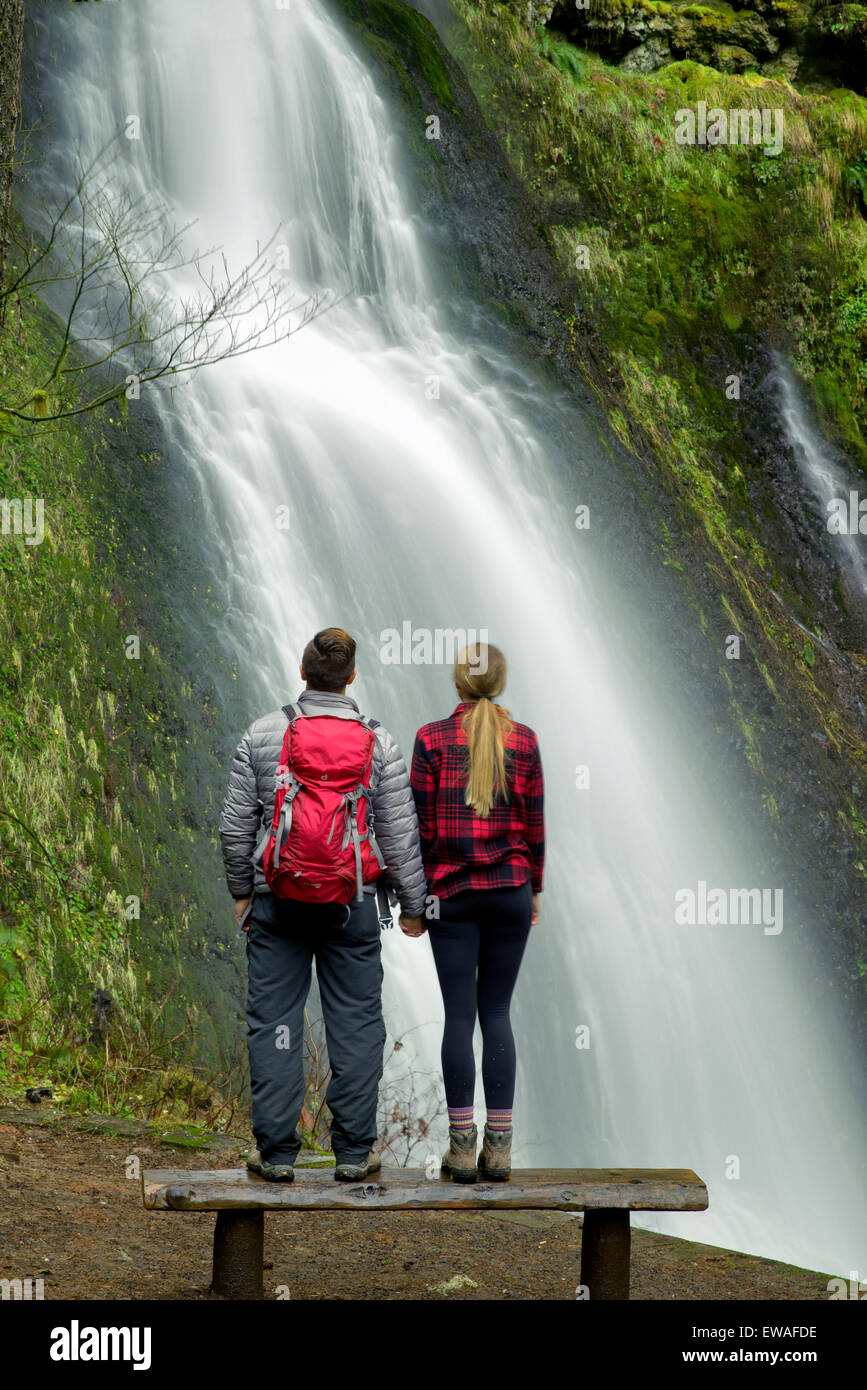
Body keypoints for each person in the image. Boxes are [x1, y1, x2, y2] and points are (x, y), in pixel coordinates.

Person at [219, 628, 427, 1182]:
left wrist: (242, 888)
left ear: (303, 672)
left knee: (274, 1024)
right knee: (356, 1026)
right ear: (351, 678)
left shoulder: (265, 733)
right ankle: (355, 1154)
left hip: (278, 900)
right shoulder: (379, 743)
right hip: (352, 901)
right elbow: (400, 834)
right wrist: (414, 905)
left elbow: (236, 826)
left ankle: (277, 1155)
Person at [408, 643, 544, 1183]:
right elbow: (535, 825)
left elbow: (419, 829)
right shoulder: (526, 741)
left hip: (452, 895)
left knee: (460, 1018)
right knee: (497, 1014)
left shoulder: (431, 739)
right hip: (510, 888)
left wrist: (415, 904)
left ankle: (462, 1150)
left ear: (458, 683)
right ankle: (501, 1151)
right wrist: (534, 889)